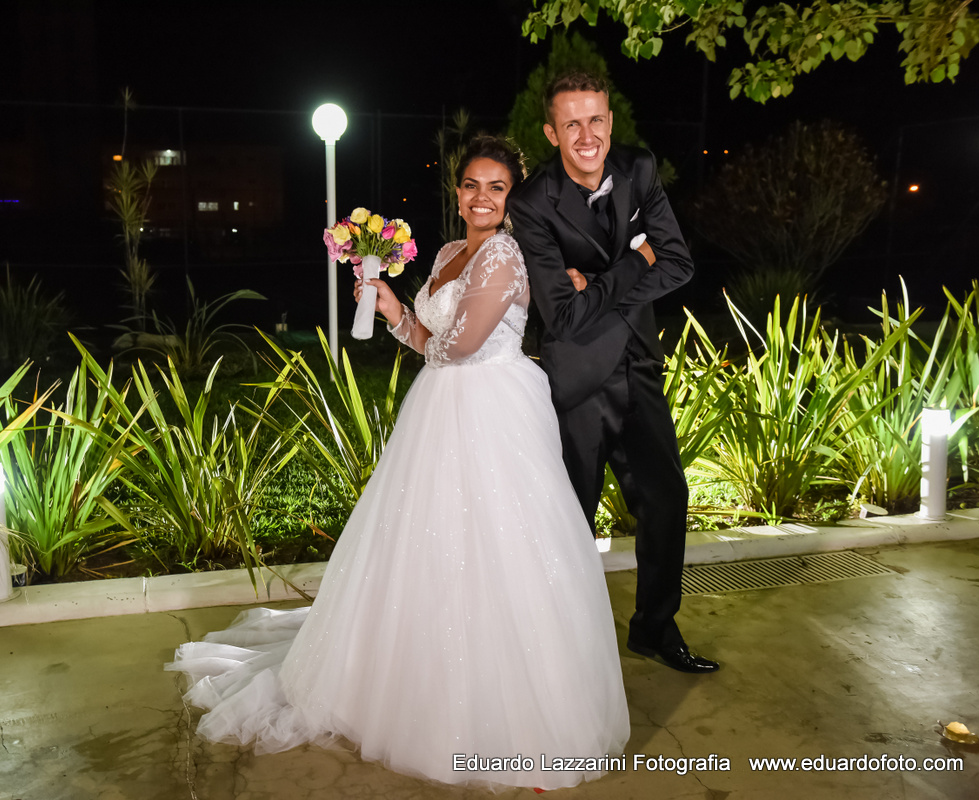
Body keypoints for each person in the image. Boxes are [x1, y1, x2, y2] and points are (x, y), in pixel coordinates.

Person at [166, 135, 629, 791]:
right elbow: (427, 341)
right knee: (425, 546)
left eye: (497, 187)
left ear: (513, 195)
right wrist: (388, 307)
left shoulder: (503, 255)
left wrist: (418, 327)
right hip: (440, 409)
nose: (481, 197)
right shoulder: (445, 254)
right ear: (457, 189)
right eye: (471, 184)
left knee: (500, 549)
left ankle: (527, 722)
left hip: (492, 410)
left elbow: (463, 346)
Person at [507, 71, 719, 674]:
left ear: (610, 121)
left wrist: (601, 281)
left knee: (667, 497)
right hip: (576, 378)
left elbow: (677, 261)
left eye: (595, 119)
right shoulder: (531, 201)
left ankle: (654, 630)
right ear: (552, 132)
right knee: (572, 511)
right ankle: (560, 648)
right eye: (571, 123)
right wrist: (632, 262)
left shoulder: (640, 169)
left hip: (639, 363)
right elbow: (565, 317)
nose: (586, 134)